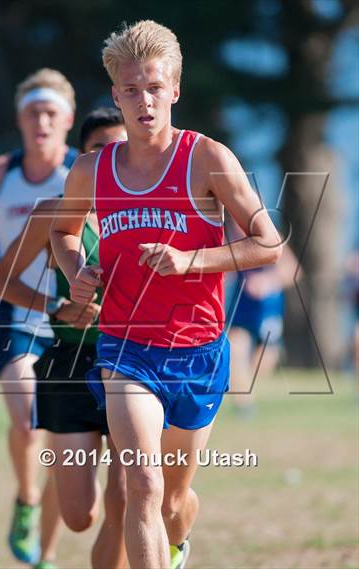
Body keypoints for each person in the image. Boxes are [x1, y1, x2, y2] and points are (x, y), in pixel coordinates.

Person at [51, 20, 282, 569]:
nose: (144, 101)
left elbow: (268, 244)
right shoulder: (91, 170)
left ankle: (179, 541)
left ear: (174, 88)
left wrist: (192, 261)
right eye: (130, 90)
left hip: (199, 352)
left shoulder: (207, 159)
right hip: (126, 349)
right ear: (115, 95)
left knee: (174, 503)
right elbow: (62, 232)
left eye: (154, 87)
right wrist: (78, 268)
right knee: (142, 484)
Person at [0, 107, 128, 569]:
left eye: (119, 150)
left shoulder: (146, 215)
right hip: (69, 365)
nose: (109, 160)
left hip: (133, 364)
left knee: (127, 496)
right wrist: (55, 307)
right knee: (78, 515)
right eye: (98, 151)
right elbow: (2, 279)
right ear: (80, 161)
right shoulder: (53, 212)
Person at [0, 68, 76, 568]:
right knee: (28, 422)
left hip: (75, 320)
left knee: (67, 441)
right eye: (32, 113)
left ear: (68, 119)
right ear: (19, 120)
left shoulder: (81, 171)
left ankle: (46, 547)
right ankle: (26, 498)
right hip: (15, 312)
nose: (41, 122)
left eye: (51, 113)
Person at [227, 217, 299, 415]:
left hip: (268, 310)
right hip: (242, 307)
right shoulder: (229, 240)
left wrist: (267, 281)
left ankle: (249, 393)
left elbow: (293, 271)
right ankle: (244, 406)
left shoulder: (272, 237)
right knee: (234, 349)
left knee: (263, 364)